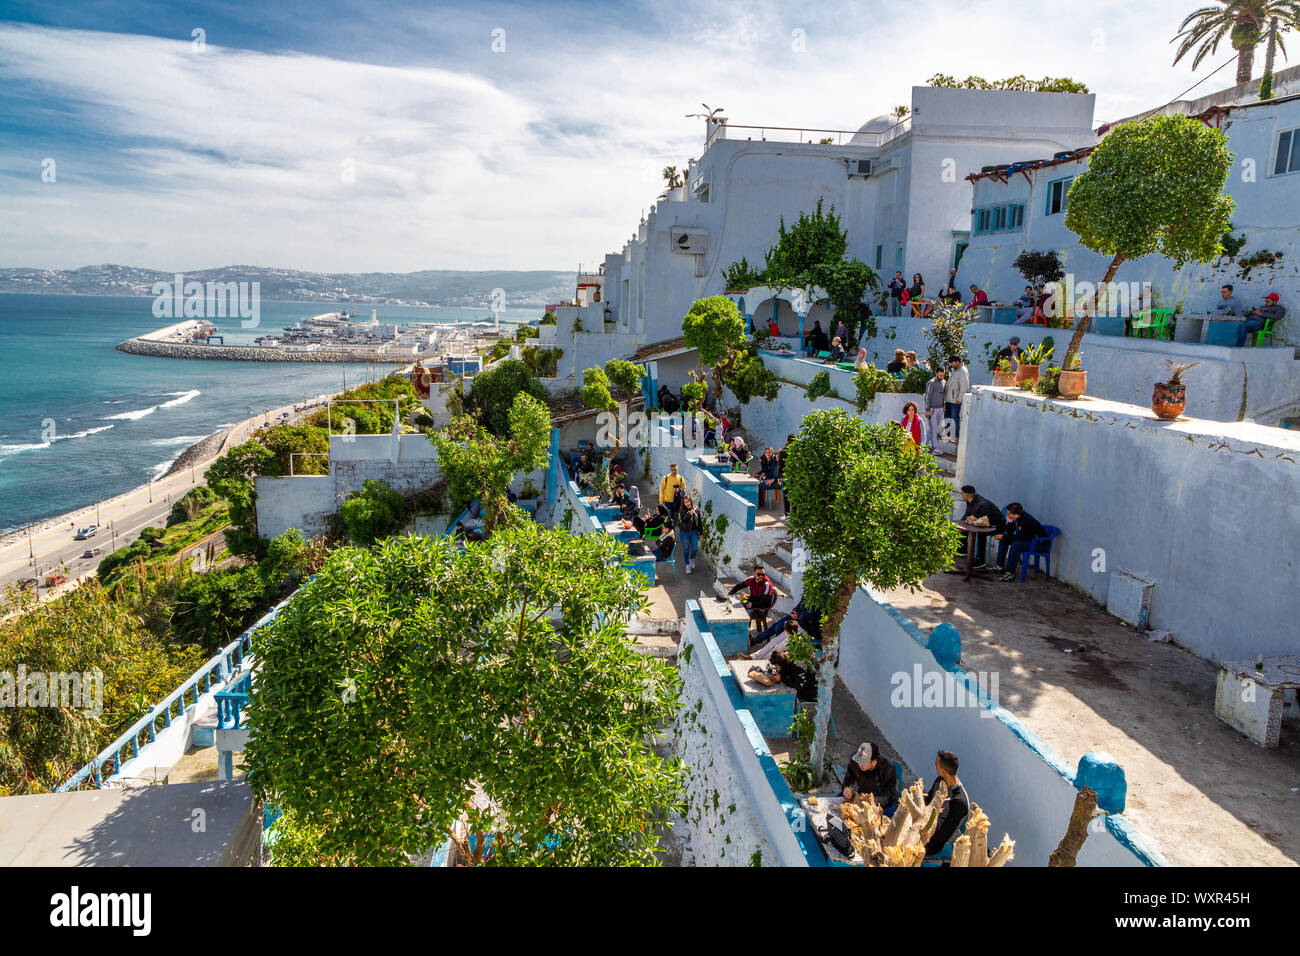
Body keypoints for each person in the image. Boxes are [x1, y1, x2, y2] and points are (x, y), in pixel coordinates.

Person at [924, 750, 970, 859]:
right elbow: (927, 801)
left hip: (933, 843)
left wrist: (921, 833)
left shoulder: (959, 801)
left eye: (936, 765)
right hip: (924, 826)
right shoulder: (940, 781)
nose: (935, 766)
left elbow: (943, 835)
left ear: (943, 771)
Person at [993, 501, 1048, 581]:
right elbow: (1011, 533)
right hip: (1029, 540)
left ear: (1014, 513)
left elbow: (1020, 538)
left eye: (1008, 513)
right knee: (1004, 540)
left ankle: (1010, 573)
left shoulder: (1026, 520)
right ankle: (999, 566)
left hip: (1040, 544)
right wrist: (1010, 523)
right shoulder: (1019, 518)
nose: (1007, 515)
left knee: (1016, 545)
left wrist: (1004, 536)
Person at [842, 742, 900, 814]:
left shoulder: (887, 769)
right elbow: (847, 781)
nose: (860, 764)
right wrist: (846, 788)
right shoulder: (855, 763)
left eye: (864, 762)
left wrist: (872, 800)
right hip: (861, 794)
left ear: (874, 763)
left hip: (881, 799)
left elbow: (889, 797)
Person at [959, 484, 1006, 566]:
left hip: (996, 525)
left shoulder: (983, 504)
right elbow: (967, 514)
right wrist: (961, 524)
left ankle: (980, 560)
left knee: (981, 534)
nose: (961, 495)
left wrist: (972, 520)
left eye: (962, 493)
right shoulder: (969, 501)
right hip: (981, 524)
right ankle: (964, 551)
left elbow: (984, 521)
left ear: (967, 495)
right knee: (963, 529)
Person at [944, 355, 969, 442]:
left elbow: (964, 386)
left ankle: (955, 435)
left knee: (955, 418)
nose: (951, 364)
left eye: (952, 363)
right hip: (949, 399)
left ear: (957, 362)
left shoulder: (962, 371)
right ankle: (948, 434)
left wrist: (960, 398)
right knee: (948, 417)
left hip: (955, 400)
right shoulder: (956, 370)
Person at [677, 495, 703, 573]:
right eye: (685, 502)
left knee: (695, 549)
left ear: (691, 501)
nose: (687, 503)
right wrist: (689, 514)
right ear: (683, 504)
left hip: (694, 531)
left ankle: (691, 558)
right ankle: (687, 565)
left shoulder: (696, 509)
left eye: (688, 501)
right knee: (686, 549)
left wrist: (701, 532)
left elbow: (700, 522)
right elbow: (683, 520)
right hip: (684, 532)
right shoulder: (682, 510)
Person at [925, 366, 946, 447]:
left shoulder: (944, 381)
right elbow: (927, 397)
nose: (942, 377)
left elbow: (944, 395)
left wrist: (944, 405)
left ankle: (923, 446)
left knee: (932, 429)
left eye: (943, 375)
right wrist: (927, 410)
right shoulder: (931, 383)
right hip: (932, 409)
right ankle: (935, 447)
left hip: (940, 409)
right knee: (934, 429)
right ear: (936, 373)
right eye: (940, 375)